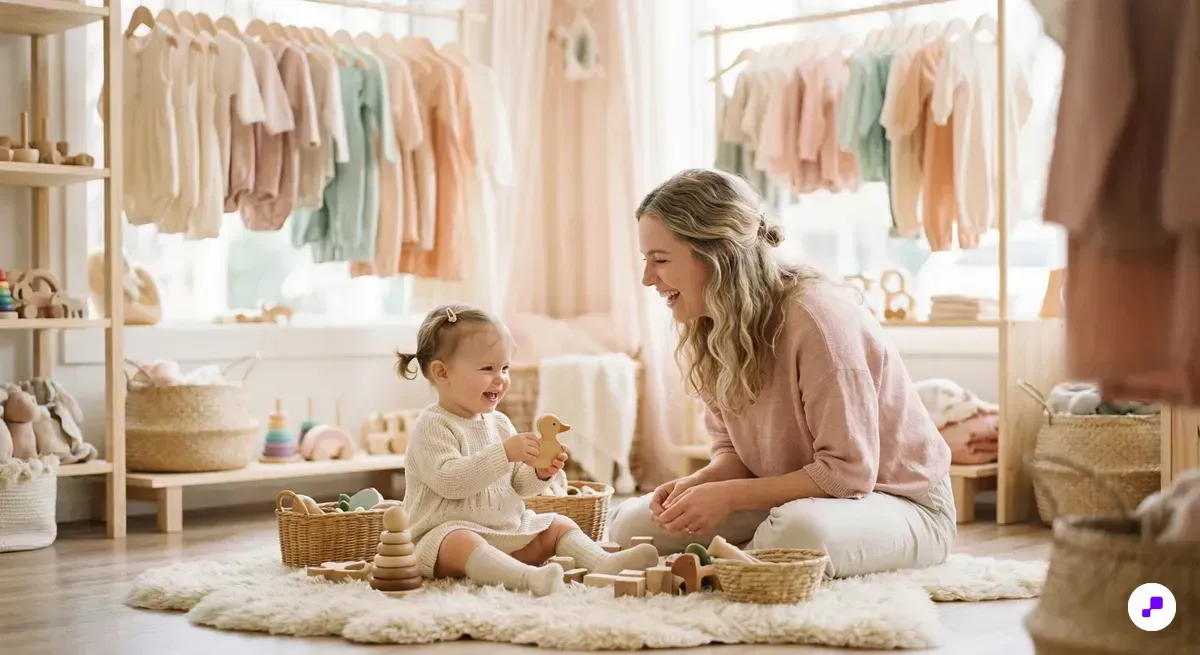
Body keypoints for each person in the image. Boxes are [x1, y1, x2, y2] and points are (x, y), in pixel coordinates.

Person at [607, 169, 957, 578]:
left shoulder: (819, 320)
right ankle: (743, 558)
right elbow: (733, 453)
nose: (648, 278)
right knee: (632, 525)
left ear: (718, 254)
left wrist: (729, 497)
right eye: (646, 260)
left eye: (661, 260)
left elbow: (849, 475)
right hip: (798, 498)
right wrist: (699, 485)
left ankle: (737, 563)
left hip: (899, 503)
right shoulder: (712, 324)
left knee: (796, 532)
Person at [396, 303, 660, 596]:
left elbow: (518, 486)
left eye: (505, 368)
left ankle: (603, 562)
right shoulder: (432, 425)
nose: (501, 378)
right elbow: (450, 482)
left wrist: (539, 472)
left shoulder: (499, 423)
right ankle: (527, 579)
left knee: (557, 524)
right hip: (442, 539)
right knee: (462, 541)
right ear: (442, 372)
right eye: (488, 368)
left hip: (505, 532)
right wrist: (504, 453)